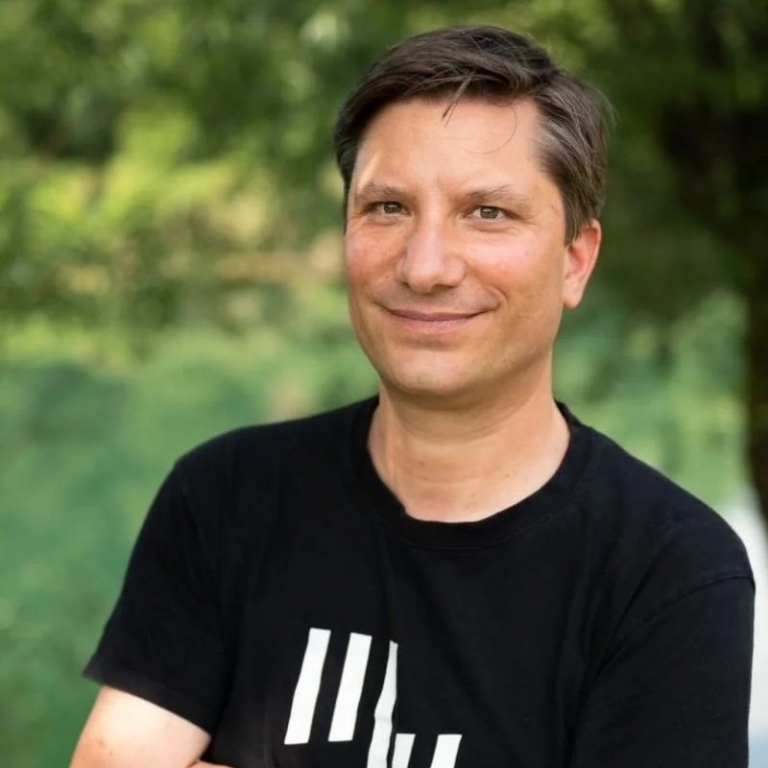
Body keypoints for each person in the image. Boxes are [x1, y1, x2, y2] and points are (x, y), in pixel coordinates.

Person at [69, 24, 754, 768]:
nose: (425, 267)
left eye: (487, 213)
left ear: (575, 260)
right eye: (388, 208)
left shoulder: (667, 569)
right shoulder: (226, 497)